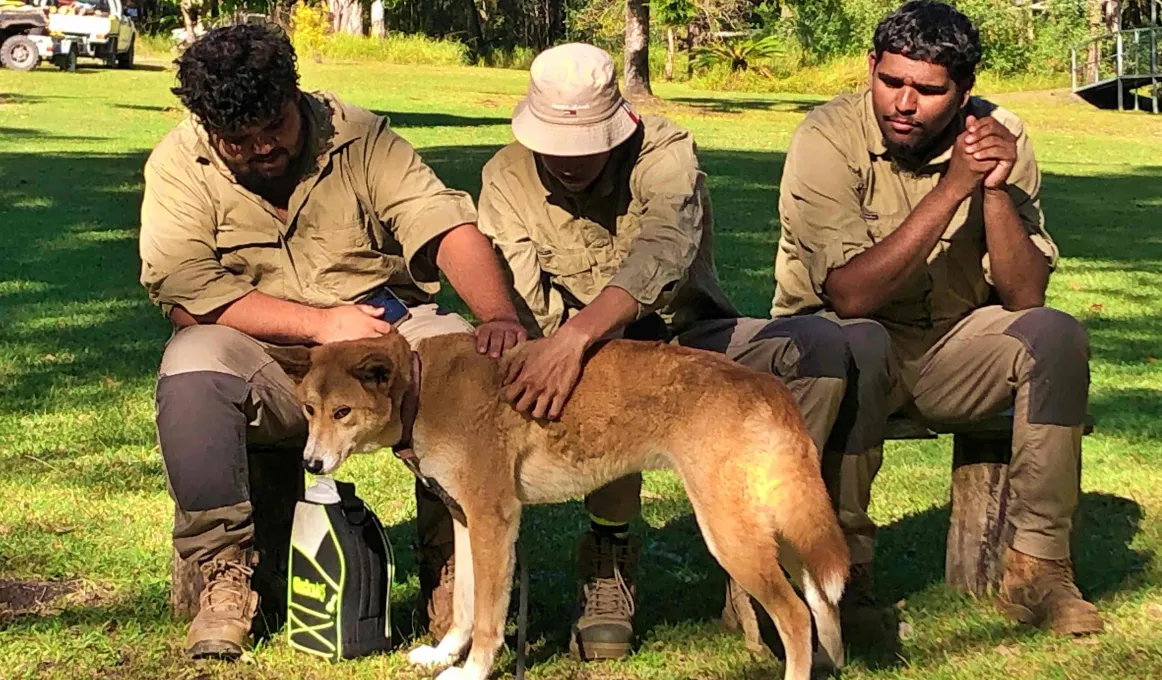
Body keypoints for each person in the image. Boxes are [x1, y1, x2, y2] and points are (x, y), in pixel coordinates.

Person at [476, 42, 878, 660]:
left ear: (618, 122)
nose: (569, 160)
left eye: (585, 144)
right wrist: (572, 346)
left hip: (690, 333)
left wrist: (581, 334)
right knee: (593, 389)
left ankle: (790, 542)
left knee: (818, 348)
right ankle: (610, 557)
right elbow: (527, 303)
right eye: (554, 145)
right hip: (574, 357)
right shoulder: (505, 176)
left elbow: (664, 248)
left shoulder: (666, 151)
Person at [138, 24, 526, 658]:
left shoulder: (360, 136)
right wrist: (319, 324)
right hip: (266, 344)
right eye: (239, 141)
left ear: (296, 96)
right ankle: (225, 575)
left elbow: (441, 221)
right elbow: (184, 290)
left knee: (458, 354)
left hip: (386, 328)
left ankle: (454, 571)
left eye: (275, 128)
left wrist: (497, 316)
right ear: (208, 127)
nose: (261, 148)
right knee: (191, 367)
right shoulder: (178, 163)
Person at [772, 0, 1102, 636]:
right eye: (891, 81)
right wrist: (953, 187)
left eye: (927, 90)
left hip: (948, 347)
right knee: (859, 342)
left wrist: (995, 190)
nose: (904, 102)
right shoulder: (825, 137)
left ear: (964, 91)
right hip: (829, 353)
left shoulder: (1000, 135)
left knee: (1055, 335)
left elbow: (1025, 294)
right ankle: (846, 572)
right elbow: (849, 296)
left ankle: (1038, 570)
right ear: (870, 66)